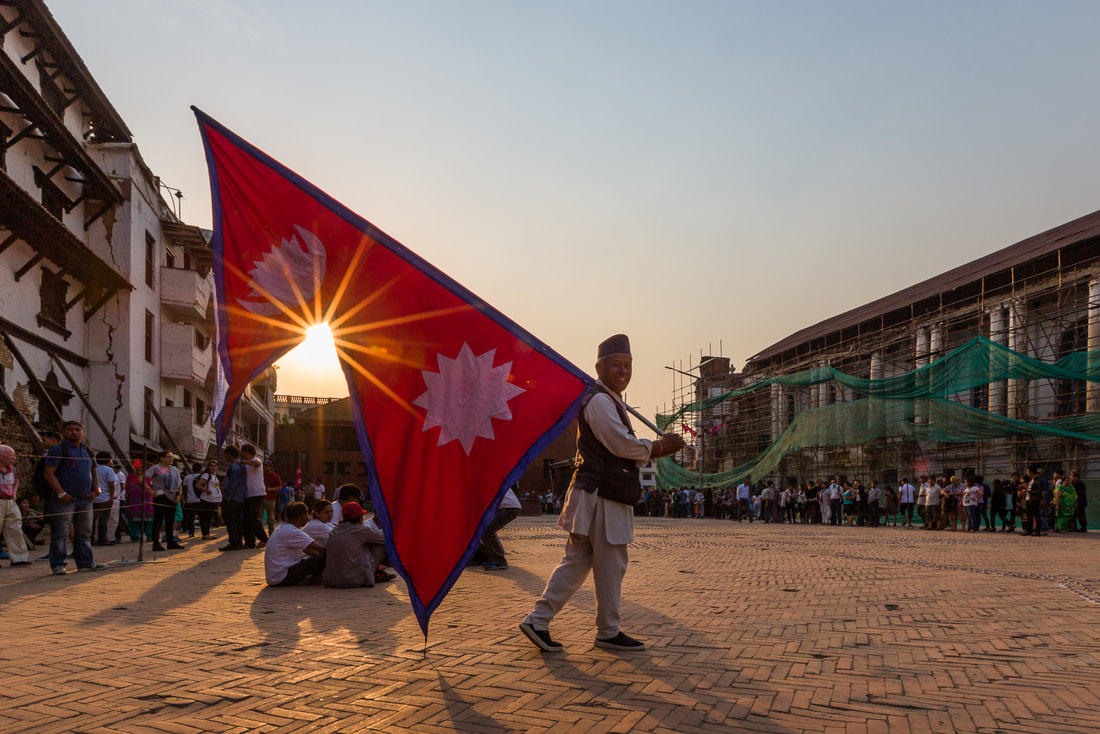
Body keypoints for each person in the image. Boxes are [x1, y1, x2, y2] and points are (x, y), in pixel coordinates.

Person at [519, 334, 684, 652]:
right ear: (599, 367)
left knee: (578, 562)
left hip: (600, 495)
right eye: (615, 365)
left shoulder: (609, 400)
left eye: (628, 365)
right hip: (602, 496)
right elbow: (622, 446)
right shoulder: (599, 401)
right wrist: (662, 446)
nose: (623, 371)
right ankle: (607, 630)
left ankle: (538, 620)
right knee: (609, 564)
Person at [322, 501, 391, 587]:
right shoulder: (362, 531)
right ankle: (373, 574)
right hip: (353, 580)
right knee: (380, 544)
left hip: (331, 580)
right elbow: (386, 539)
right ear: (359, 517)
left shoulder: (335, 531)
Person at [264, 502, 325, 586]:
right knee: (319, 558)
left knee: (317, 559)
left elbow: (307, 549)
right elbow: (319, 548)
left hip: (276, 576)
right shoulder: (291, 531)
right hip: (282, 577)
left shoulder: (284, 528)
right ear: (302, 516)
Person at [146, 450, 183, 551]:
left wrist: (179, 495)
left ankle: (171, 542)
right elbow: (144, 479)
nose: (170, 459)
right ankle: (155, 543)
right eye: (168, 457)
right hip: (160, 496)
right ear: (162, 458)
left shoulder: (174, 469)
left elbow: (179, 483)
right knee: (158, 520)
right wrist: (149, 490)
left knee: (170, 520)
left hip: (173, 496)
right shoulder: (156, 468)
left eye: (171, 457)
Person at [0, 445, 30, 566]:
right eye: (11, 456)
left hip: (9, 500)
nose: (14, 458)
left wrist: (13, 495)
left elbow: (15, 483)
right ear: (1, 457)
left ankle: (19, 558)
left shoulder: (12, 469)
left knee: (15, 528)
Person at [481, 487, 522, 570]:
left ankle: (499, 561)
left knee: (487, 531)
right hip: (508, 507)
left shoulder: (488, 480)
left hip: (509, 507)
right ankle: (494, 558)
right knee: (489, 530)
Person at [240, 445, 268, 548]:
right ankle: (249, 542)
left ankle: (264, 539)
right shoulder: (245, 465)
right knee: (246, 519)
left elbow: (257, 464)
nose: (241, 454)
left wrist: (242, 462)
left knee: (253, 518)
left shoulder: (256, 460)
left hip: (257, 494)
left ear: (247, 452)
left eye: (242, 452)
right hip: (247, 495)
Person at [219, 447, 246, 551]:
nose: (225, 457)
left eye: (225, 454)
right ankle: (238, 541)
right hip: (239, 497)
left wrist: (229, 494)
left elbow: (233, 481)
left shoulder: (235, 465)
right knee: (236, 520)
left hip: (232, 497)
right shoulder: (241, 464)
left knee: (231, 520)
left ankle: (234, 542)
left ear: (229, 454)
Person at [92, 452, 117, 546]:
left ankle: (91, 539)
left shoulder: (93, 468)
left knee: (92, 520)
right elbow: (111, 485)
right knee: (103, 520)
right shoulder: (109, 470)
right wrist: (111, 497)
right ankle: (102, 539)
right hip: (105, 498)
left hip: (94, 497)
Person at [126, 462, 153, 542]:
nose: (139, 469)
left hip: (147, 501)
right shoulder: (130, 476)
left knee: (149, 520)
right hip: (134, 501)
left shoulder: (149, 477)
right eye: (137, 467)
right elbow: (127, 488)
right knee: (133, 520)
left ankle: (149, 535)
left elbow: (153, 487)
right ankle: (134, 536)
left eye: (141, 467)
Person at [263, 464, 282, 535]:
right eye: (264, 466)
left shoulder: (275, 476)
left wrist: (271, 489)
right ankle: (261, 533)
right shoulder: (260, 475)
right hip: (260, 497)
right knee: (259, 517)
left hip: (270, 498)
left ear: (271, 467)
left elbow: (280, 487)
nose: (265, 467)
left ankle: (271, 532)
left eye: (267, 466)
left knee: (270, 516)